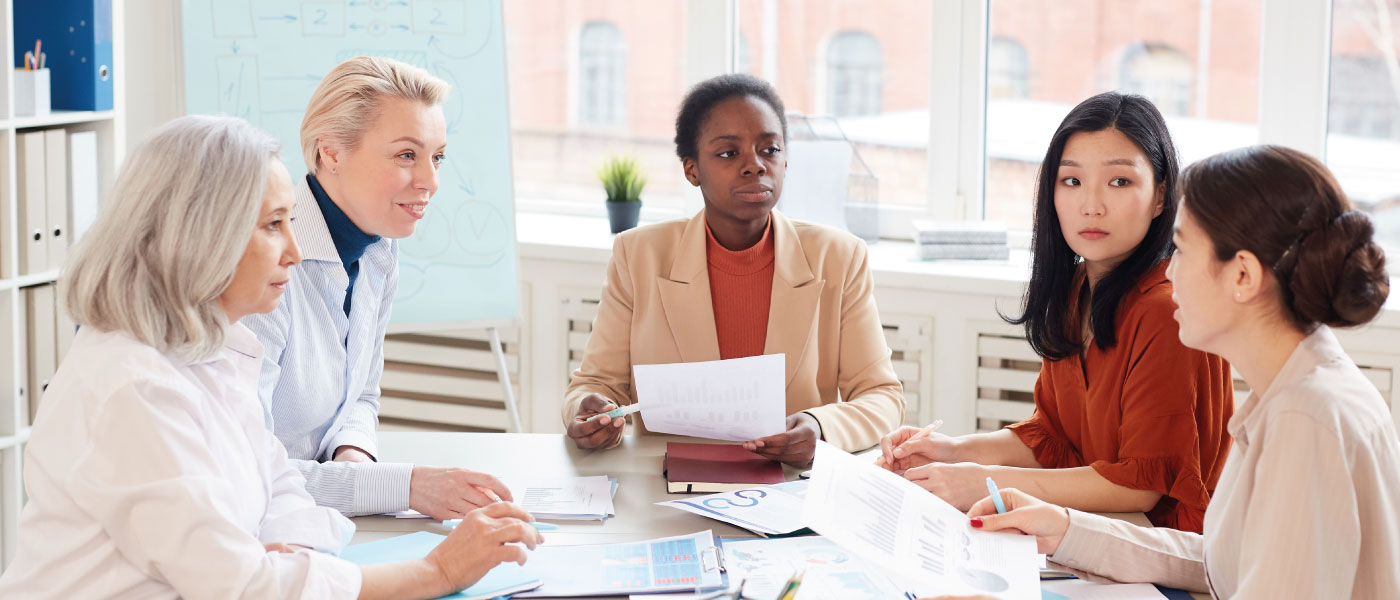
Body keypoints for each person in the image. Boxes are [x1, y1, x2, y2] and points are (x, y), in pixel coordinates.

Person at [0, 115, 541, 599]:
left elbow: (277, 486)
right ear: (201, 236)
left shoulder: (217, 346)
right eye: (272, 225)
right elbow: (241, 585)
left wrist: (290, 551)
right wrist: (439, 572)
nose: (295, 251)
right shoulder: (132, 388)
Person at [961, 145, 1400, 598]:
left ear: (1243, 276)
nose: (1170, 270)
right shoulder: (1292, 389)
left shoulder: (1306, 421)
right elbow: (1220, 562)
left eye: (1182, 250)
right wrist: (1065, 530)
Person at [879, 92, 1233, 532]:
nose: (1092, 205)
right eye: (1072, 181)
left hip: (1168, 550)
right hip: (1093, 531)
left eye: (1119, 182)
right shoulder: (1076, 288)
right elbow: (1051, 438)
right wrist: (953, 451)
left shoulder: (1166, 311)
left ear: (1161, 196)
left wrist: (981, 481)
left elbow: (1140, 486)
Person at [563, 74, 904, 466]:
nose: (755, 166)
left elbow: (882, 396)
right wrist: (588, 413)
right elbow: (594, 386)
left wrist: (820, 425)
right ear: (692, 170)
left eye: (770, 149)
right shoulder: (638, 255)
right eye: (728, 153)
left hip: (789, 487)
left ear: (786, 161)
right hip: (668, 487)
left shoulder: (839, 257)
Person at [242, 56, 511, 520]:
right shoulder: (263, 262)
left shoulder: (379, 249)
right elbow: (248, 469)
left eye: (437, 156)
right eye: (407, 155)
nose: (430, 180)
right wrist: (405, 487)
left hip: (320, 518)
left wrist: (356, 462)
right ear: (331, 153)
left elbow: (361, 396)